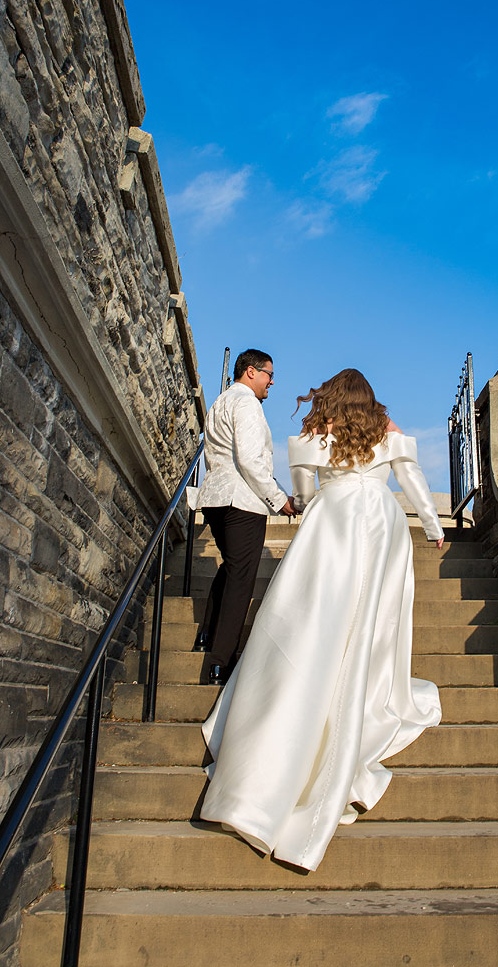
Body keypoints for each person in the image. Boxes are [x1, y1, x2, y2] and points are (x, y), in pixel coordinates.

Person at [198, 368, 445, 870]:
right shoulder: (387, 428)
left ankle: (273, 736)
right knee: (371, 626)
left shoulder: (315, 432)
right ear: (369, 398)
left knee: (310, 619)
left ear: (331, 395)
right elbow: (412, 478)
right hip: (381, 522)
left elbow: (306, 490)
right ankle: (357, 702)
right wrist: (433, 524)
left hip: (331, 522)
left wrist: (319, 506)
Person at [189, 348, 296, 685]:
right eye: (268, 374)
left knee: (233, 566)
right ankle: (220, 663)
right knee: (242, 579)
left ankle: (205, 634)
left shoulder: (220, 402)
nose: (271, 381)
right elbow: (250, 460)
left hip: (215, 499)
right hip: (241, 502)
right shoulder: (248, 403)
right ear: (250, 372)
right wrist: (279, 500)